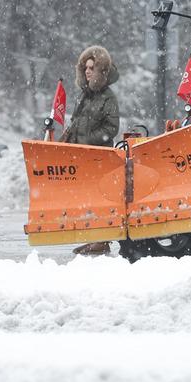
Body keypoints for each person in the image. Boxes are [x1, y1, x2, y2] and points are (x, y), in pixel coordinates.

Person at [60, 45, 120, 255]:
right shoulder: (85, 95)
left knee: (100, 197)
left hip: (99, 156)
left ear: (101, 71)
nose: (87, 71)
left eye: (92, 67)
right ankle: (93, 236)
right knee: (87, 197)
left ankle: (102, 240)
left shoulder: (108, 97)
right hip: (83, 155)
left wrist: (87, 140)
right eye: (85, 67)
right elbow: (78, 121)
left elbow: (111, 128)